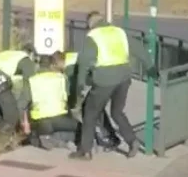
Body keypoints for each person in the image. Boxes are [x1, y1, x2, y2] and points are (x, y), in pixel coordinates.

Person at [69, 11, 157, 160]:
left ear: (90, 24)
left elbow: (84, 62)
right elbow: (139, 49)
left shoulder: (93, 36)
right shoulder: (119, 32)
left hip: (104, 80)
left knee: (90, 113)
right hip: (124, 78)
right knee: (117, 112)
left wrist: (80, 84)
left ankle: (85, 151)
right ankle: (132, 141)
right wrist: (150, 67)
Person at [63, 51, 122, 152]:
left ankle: (106, 139)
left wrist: (73, 103)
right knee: (97, 111)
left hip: (95, 86)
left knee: (92, 111)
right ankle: (108, 138)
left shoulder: (69, 70)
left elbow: (74, 88)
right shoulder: (74, 61)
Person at [0, 44, 36, 134]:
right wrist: (21, 106)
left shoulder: (8, 54)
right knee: (11, 115)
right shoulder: (26, 59)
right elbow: (29, 85)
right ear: (31, 54)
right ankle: (2, 142)